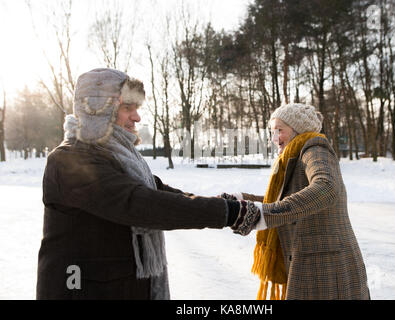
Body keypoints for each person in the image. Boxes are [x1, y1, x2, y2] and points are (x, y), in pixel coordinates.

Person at [36, 68, 262, 300]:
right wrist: (227, 213)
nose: (137, 117)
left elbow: (156, 190)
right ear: (98, 111)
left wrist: (221, 203)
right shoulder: (69, 159)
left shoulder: (121, 155)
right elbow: (139, 203)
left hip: (122, 286)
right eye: (127, 108)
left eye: (136, 108)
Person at [221, 103, 370, 300]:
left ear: (297, 129)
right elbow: (282, 199)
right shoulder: (293, 157)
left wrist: (264, 214)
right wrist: (243, 200)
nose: (274, 139)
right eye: (272, 132)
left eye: (279, 131)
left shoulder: (315, 148)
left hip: (327, 268)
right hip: (312, 265)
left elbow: (327, 188)